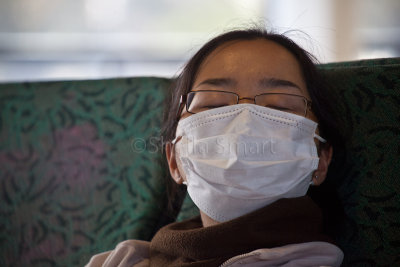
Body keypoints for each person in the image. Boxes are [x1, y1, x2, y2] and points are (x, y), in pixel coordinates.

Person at [86, 28, 344, 267]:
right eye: (214, 104)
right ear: (175, 161)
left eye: (279, 106)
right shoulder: (120, 261)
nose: (244, 127)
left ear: (321, 160)